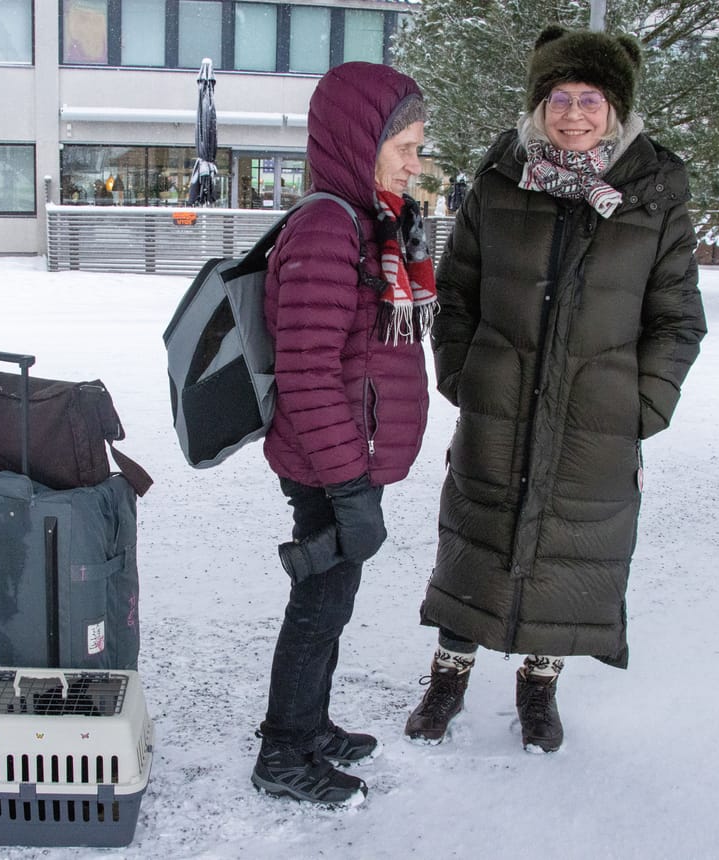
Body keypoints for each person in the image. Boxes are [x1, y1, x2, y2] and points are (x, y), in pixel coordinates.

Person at [405, 25, 707, 753]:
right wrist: (463, 373)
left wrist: (643, 404)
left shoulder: (654, 189)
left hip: (595, 417)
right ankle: (447, 677)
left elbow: (678, 317)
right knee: (476, 541)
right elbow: (459, 292)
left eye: (591, 98)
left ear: (616, 106)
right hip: (500, 405)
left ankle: (540, 688)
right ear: (539, 105)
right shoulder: (502, 177)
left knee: (571, 555)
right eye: (559, 97)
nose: (573, 113)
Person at [252, 62, 434, 807]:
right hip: (332, 463)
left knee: (335, 599)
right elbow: (305, 372)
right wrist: (348, 484)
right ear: (363, 138)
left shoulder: (368, 221)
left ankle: (311, 722)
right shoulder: (329, 228)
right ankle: (284, 752)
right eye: (405, 146)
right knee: (319, 604)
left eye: (420, 147)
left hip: (349, 460)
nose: (416, 163)